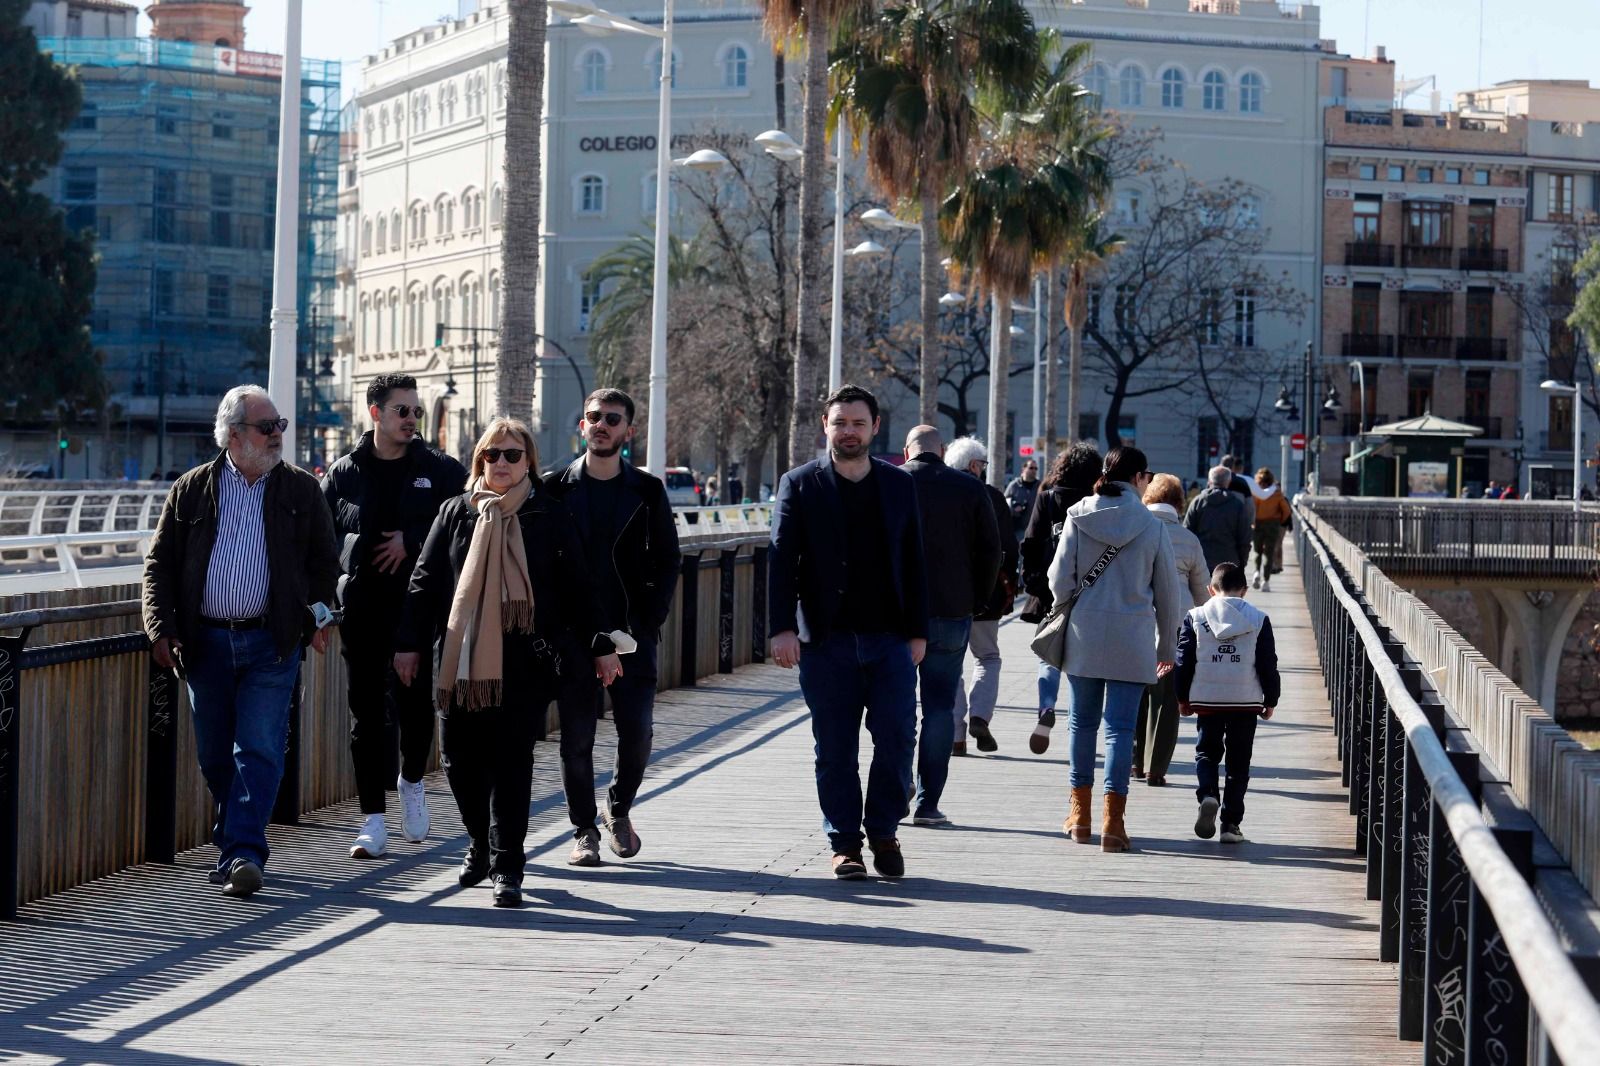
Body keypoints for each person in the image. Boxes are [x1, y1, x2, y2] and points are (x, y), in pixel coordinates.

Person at [393, 418, 620, 907]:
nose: (500, 463)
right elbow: (425, 581)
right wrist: (409, 643)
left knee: (512, 764)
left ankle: (507, 866)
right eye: (491, 455)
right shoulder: (455, 512)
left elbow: (579, 588)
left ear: (529, 463)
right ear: (479, 461)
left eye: (512, 455)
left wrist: (600, 645)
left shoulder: (548, 515)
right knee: (458, 761)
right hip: (461, 658)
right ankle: (479, 841)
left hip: (525, 661)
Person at [142, 385, 339, 898]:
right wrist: (161, 627)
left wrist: (316, 617)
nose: (277, 436)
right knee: (214, 755)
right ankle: (235, 841)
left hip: (271, 643)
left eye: (280, 427)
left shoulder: (300, 490)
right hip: (204, 644)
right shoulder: (189, 490)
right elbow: (159, 565)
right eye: (266, 427)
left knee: (258, 748)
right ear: (234, 435)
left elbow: (325, 565)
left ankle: (244, 854)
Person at [768, 384, 929, 880]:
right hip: (826, 641)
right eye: (840, 423)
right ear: (826, 427)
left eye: (858, 423)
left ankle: (883, 828)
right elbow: (780, 561)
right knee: (835, 748)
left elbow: (914, 560)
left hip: (890, 640)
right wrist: (780, 628)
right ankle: (845, 844)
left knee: (900, 738)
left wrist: (918, 632)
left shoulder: (899, 485)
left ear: (875, 427)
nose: (849, 431)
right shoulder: (800, 484)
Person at [321, 374, 467, 860]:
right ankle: (373, 819)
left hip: (417, 608)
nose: (411, 419)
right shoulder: (344, 472)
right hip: (362, 607)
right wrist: (332, 587)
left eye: (416, 411)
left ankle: (410, 783)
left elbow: (465, 523)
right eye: (402, 410)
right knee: (364, 711)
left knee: (413, 705)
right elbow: (322, 542)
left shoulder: (441, 469)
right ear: (376, 412)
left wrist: (412, 536)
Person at [544, 389, 681, 866]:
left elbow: (668, 560)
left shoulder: (647, 491)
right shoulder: (555, 487)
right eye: (593, 417)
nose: (601, 425)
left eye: (612, 419)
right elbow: (544, 567)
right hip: (574, 636)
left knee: (637, 733)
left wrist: (647, 622)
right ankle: (584, 831)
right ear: (582, 426)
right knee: (577, 738)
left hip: (631, 635)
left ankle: (618, 808)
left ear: (629, 430)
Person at [1046, 446, 1181, 852]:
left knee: (1081, 724)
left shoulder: (1078, 516)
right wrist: (1167, 646)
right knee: (1121, 729)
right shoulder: (1153, 526)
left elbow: (1058, 578)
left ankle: (1080, 814)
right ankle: (1114, 821)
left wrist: (1069, 609)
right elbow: (1168, 594)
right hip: (1133, 638)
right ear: (1139, 478)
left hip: (1085, 633)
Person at [901, 425, 1001, 819]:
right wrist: (977, 598)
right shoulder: (969, 488)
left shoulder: (890, 482)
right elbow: (991, 550)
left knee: (897, 703)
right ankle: (929, 803)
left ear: (906, 450)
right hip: (951, 610)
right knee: (940, 707)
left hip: (896, 614)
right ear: (942, 450)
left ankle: (899, 777)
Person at [1177, 562, 1280, 844]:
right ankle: (1230, 825)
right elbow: (1267, 664)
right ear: (1245, 591)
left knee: (1207, 754)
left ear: (1211, 589)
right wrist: (1270, 699)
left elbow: (1183, 661)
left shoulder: (1196, 616)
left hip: (1208, 700)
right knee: (1238, 764)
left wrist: (1182, 697)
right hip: (1245, 702)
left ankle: (1208, 794)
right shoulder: (1259, 619)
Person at [1019, 441, 1102, 754]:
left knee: (1048, 656)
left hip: (1049, 592)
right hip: (1090, 592)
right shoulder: (1098, 501)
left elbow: (1030, 542)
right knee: (1083, 662)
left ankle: (1046, 707)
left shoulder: (1047, 498)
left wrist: (1033, 582)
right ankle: (1079, 724)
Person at [1132, 473, 1210, 787]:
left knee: (1134, 694)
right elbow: (1204, 593)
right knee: (1165, 698)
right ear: (1179, 504)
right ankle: (1156, 767)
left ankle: (1134, 762)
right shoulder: (1189, 540)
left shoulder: (1134, 531)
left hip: (1134, 622)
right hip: (1176, 626)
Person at [946, 436, 1017, 756]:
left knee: (950, 663)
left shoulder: (942, 495)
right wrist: (1009, 585)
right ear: (974, 465)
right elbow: (1008, 547)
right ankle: (979, 715)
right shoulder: (991, 497)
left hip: (948, 595)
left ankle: (956, 734)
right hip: (986, 595)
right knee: (987, 657)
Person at [1184, 464, 1253, 571]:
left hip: (1201, 562)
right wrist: (1242, 562)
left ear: (1209, 481)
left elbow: (1187, 533)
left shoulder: (1197, 502)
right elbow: (1244, 538)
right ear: (1228, 482)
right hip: (1229, 563)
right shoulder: (1237, 505)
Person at [1249, 467, 1291, 592]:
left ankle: (1256, 572)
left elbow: (1251, 508)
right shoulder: (1277, 493)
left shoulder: (1255, 493)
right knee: (1269, 552)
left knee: (1257, 550)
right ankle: (1265, 581)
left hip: (1257, 524)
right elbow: (1286, 510)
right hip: (1272, 524)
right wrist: (1281, 521)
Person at [1004, 458, 1041, 537]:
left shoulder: (1040, 486)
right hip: (1018, 529)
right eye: (1031, 468)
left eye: (1035, 468)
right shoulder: (1014, 485)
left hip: (1036, 529)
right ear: (1024, 469)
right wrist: (1014, 508)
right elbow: (1004, 503)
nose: (1034, 470)